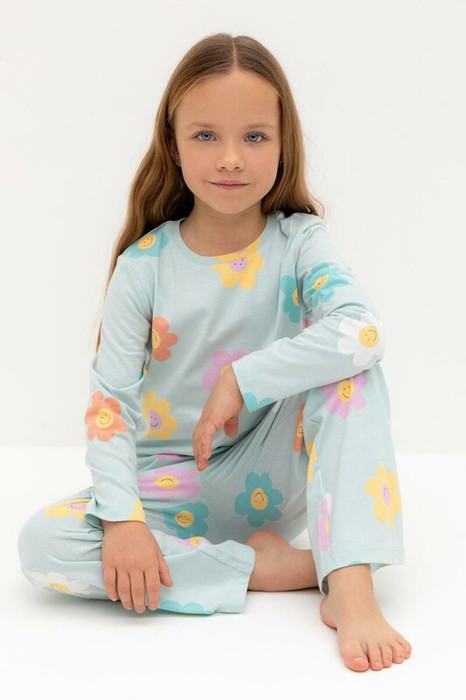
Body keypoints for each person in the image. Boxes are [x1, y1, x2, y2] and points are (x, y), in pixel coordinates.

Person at [17, 32, 412, 673]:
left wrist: (243, 379)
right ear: (173, 145)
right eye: (205, 135)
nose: (230, 159)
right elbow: (110, 405)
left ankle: (352, 587)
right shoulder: (144, 266)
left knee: (352, 373)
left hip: (274, 472)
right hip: (173, 490)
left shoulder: (300, 241)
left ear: (283, 145)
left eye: (254, 136)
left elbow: (364, 331)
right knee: (42, 544)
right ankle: (271, 568)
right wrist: (123, 522)